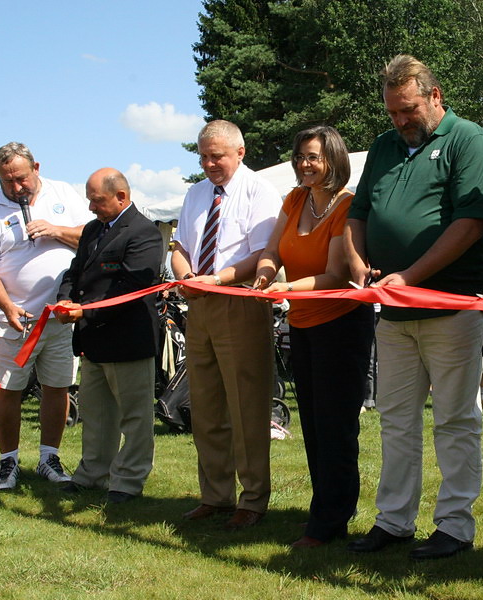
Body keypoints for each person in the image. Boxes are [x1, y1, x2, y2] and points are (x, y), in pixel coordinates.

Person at [344, 55, 483, 560]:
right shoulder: (386, 147)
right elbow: (358, 214)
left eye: (408, 109)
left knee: (456, 421)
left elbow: (472, 222)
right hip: (393, 314)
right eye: (392, 112)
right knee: (395, 419)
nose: (399, 121)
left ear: (435, 96)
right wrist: (357, 262)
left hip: (451, 309)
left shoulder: (467, 140)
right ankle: (393, 521)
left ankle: (454, 527)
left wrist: (410, 276)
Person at [253, 126, 375, 548]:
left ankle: (330, 521)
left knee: (335, 428)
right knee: (313, 427)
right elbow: (273, 250)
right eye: (301, 156)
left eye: (314, 157)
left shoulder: (349, 206)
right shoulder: (293, 199)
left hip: (341, 326)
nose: (305, 164)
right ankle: (324, 511)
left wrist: (286, 288)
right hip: (302, 325)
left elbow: (336, 275)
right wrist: (267, 274)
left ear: (334, 160)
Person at [171, 120, 281, 529]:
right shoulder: (196, 193)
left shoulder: (260, 191)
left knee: (246, 406)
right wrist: (185, 277)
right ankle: (214, 495)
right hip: (198, 306)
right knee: (205, 406)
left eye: (216, 155)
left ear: (241, 151)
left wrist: (216, 279)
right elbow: (180, 247)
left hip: (240, 303)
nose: (209, 163)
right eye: (203, 156)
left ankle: (252, 499)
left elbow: (265, 253)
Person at [0, 142, 91, 491]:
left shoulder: (64, 193)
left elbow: (91, 239)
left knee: (57, 385)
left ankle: (49, 457)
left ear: (36, 166)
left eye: (20, 178)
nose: (16, 187)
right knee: (7, 389)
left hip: (60, 316)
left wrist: (55, 230)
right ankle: (8, 463)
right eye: (7, 181)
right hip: (11, 319)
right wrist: (6, 306)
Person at [54, 168, 163, 504]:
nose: (91, 208)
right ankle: (92, 474)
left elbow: (132, 288)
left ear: (121, 197)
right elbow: (76, 272)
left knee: (134, 417)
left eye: (96, 201)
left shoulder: (145, 234)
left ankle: (127, 482)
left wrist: (85, 311)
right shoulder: (92, 231)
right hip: (93, 340)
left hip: (128, 339)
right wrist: (66, 298)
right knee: (97, 415)